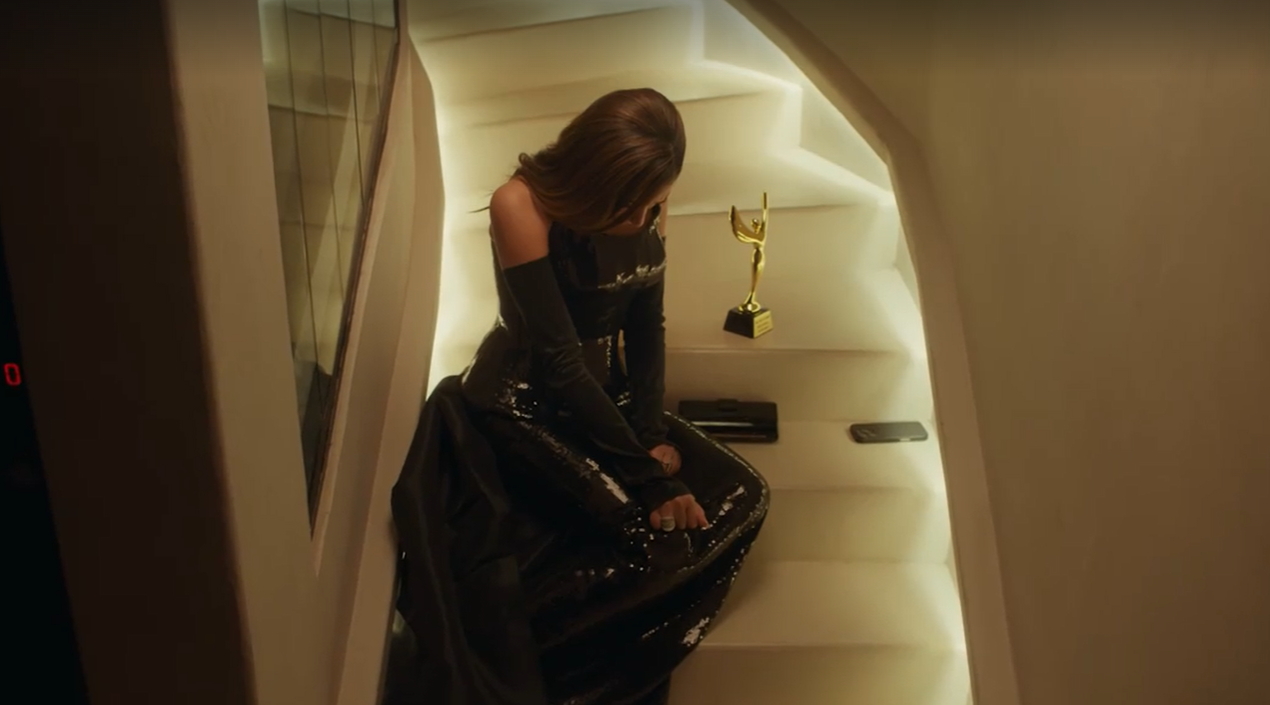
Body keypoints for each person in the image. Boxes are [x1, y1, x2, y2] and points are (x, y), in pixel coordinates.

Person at [391, 88, 769, 705]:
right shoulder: (520, 205)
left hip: (602, 397)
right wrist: (647, 478)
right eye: (636, 203)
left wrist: (649, 433)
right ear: (598, 180)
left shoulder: (648, 199)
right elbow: (560, 362)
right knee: (652, 537)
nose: (647, 215)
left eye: (656, 202)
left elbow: (646, 326)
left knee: (745, 494)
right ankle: (530, 655)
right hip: (523, 404)